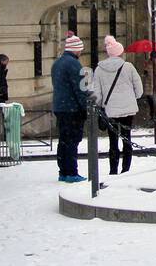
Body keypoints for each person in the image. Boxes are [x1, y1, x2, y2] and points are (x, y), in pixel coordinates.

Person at [91, 36, 145, 175]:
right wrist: (134, 97)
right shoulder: (128, 67)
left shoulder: (99, 69)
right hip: (128, 109)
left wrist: (102, 104)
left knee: (113, 141)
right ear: (121, 53)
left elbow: (97, 93)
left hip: (110, 110)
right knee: (127, 139)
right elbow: (139, 89)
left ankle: (113, 170)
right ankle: (125, 170)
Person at [51, 33, 92, 183]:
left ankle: (63, 171)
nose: (81, 52)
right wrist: (85, 108)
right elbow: (80, 89)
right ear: (75, 50)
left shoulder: (57, 63)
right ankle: (71, 172)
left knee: (63, 140)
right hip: (72, 109)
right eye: (80, 49)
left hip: (60, 107)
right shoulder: (74, 64)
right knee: (72, 141)